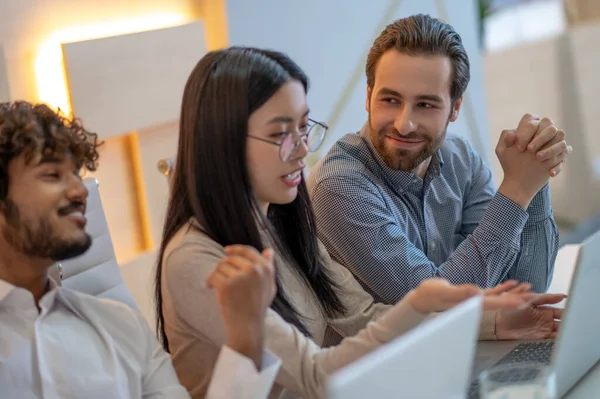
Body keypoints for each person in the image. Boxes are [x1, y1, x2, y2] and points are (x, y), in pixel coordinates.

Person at [155, 46, 564, 399]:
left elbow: (363, 318)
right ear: (223, 141)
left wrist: (493, 322)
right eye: (283, 134)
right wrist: (424, 300)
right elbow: (315, 376)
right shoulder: (198, 261)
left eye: (304, 128)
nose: (302, 151)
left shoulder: (280, 222)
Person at [0, 101, 281, 399]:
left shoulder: (121, 327)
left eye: (76, 173)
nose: (80, 190)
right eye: (52, 175)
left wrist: (246, 334)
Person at [307, 14, 572, 306]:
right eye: (390, 100)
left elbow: (524, 290)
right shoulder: (338, 185)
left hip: (468, 349)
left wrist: (535, 167)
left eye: (425, 104)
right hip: (392, 352)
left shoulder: (461, 160)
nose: (404, 124)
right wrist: (517, 190)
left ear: (454, 108)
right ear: (368, 97)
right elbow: (436, 308)